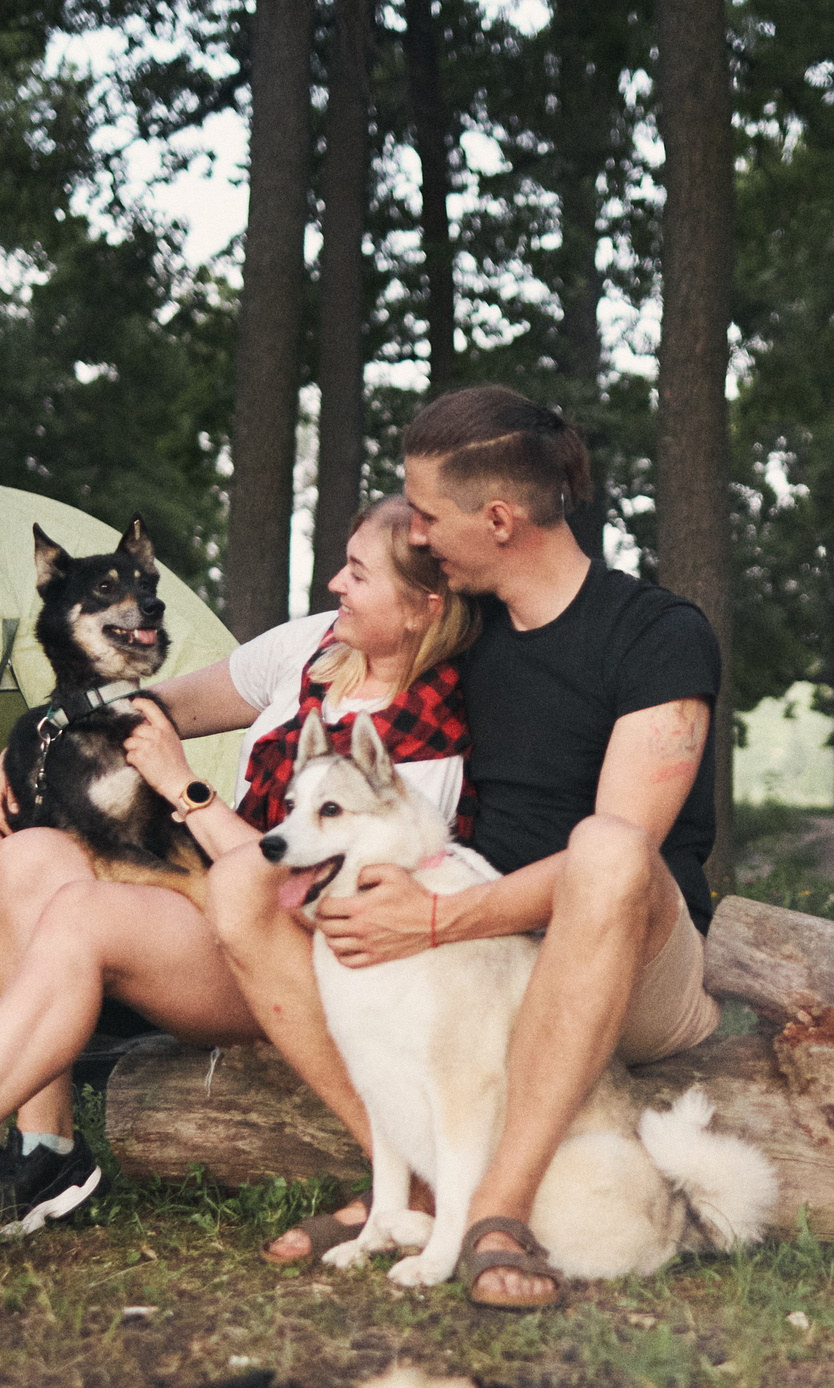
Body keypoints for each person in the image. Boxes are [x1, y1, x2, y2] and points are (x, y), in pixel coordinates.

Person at [0, 495, 476, 1290]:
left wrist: (191, 795)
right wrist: (29, 742)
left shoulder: (425, 742)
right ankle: (46, 1153)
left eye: (358, 574)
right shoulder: (310, 647)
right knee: (29, 854)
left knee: (82, 913)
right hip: (225, 917)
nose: (335, 584)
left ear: (424, 608)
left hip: (309, 961)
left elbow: (320, 899)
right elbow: (142, 706)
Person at [253, 384, 724, 1306]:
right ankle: (408, 1188)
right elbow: (269, 665)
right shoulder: (465, 634)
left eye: (427, 515)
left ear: (499, 518)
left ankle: (495, 1210)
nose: (418, 536)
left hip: (631, 963)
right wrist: (103, 715)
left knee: (606, 849)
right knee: (248, 886)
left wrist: (435, 919)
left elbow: (623, 861)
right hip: (482, 955)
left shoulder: (657, 635)